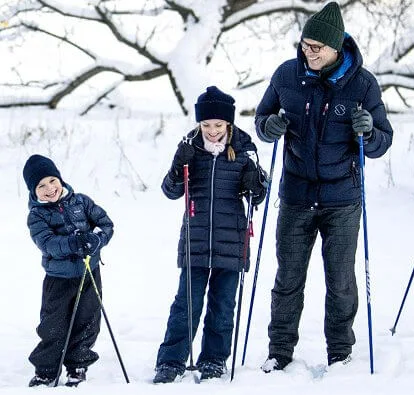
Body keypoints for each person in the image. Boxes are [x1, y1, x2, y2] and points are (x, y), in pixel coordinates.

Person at [255, 2, 393, 372]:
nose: (309, 53)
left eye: (317, 47)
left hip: (342, 200)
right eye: (305, 45)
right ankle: (279, 352)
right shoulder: (287, 75)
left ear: (336, 48)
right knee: (287, 280)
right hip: (297, 195)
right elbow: (261, 117)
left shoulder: (362, 84)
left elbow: (383, 141)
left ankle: (340, 353)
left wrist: (369, 131)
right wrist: (268, 128)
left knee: (341, 282)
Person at [153, 86, 269, 384]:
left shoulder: (245, 149)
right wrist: (179, 165)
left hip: (232, 242)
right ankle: (171, 360)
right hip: (196, 240)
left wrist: (255, 182)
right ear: (199, 124)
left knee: (222, 306)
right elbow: (170, 191)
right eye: (206, 125)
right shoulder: (190, 148)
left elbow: (258, 197)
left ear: (228, 123)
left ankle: (214, 360)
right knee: (185, 305)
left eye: (218, 125)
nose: (212, 131)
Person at [23, 154, 114, 387]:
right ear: (34, 192)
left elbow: (106, 224)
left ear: (60, 179)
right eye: (41, 186)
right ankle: (46, 370)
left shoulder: (81, 202)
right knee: (53, 326)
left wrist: (97, 240)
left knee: (88, 320)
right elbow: (48, 244)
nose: (49, 188)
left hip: (88, 273)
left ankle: (78, 365)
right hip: (59, 278)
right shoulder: (37, 215)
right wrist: (74, 243)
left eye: (52, 181)